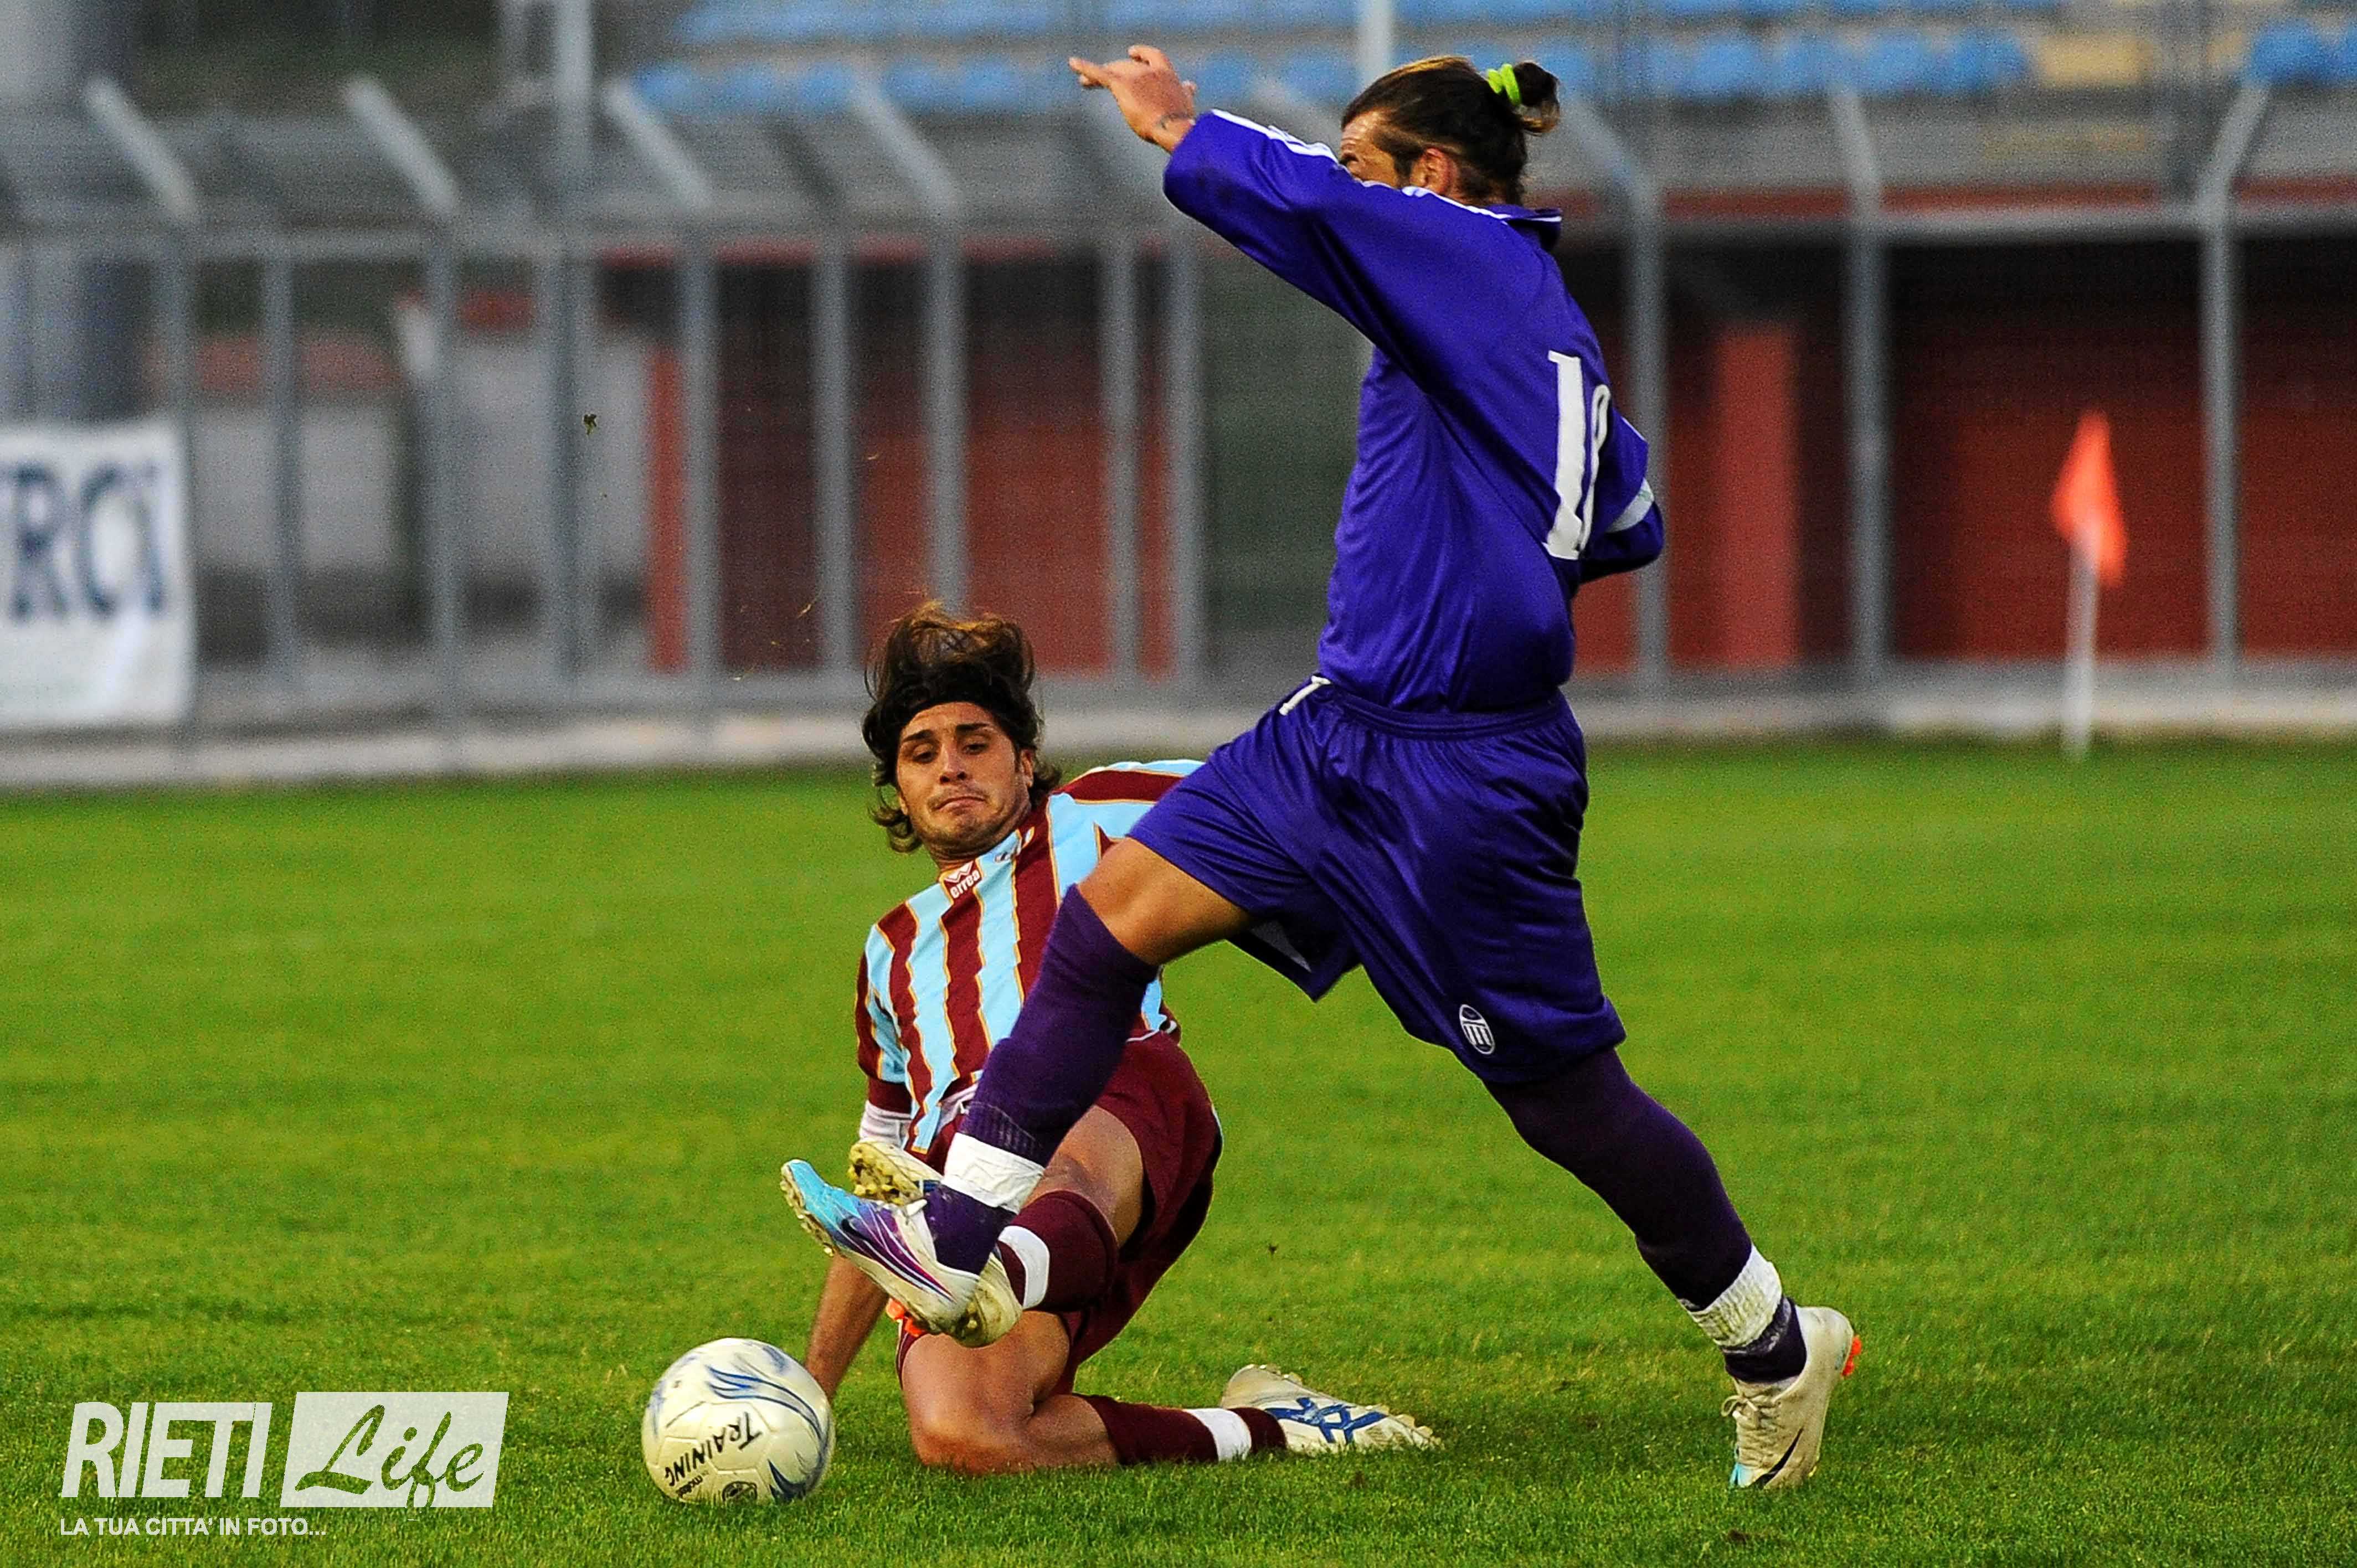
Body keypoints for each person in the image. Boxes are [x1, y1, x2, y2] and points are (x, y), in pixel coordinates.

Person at [786, 51, 1859, 1491]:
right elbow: (1630, 519)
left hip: (1462, 771)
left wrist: (1179, 127)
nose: (1351, 182)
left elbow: (1301, 205)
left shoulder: (1467, 253)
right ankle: (956, 1240)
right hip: (1337, 727)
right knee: (1106, 925)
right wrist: (1493, 547)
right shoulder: (1527, 325)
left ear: (1431, 178)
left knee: (1565, 1100)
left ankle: (1772, 1346)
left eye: (1367, 162)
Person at [790, 604, 1434, 1473]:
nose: (951, 767)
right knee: (965, 1433)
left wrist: (1409, 793)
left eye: (975, 743)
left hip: (1114, 1087)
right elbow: (881, 1171)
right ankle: (1275, 1426)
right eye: (922, 753)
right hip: (960, 1187)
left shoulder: (1098, 812)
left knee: (1059, 1156)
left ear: (1024, 760)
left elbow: (1267, 795)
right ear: (898, 791)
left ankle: (976, 1262)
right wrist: (809, 1395)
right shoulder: (888, 953)